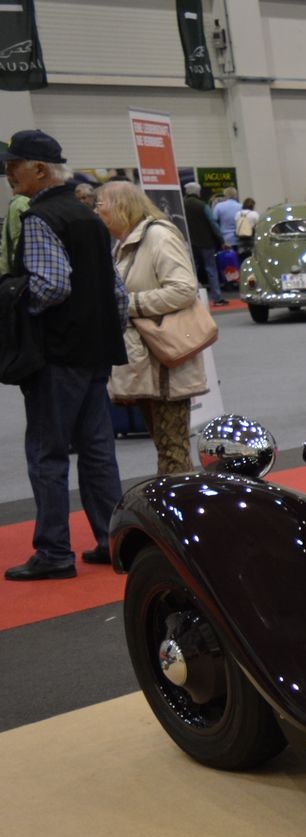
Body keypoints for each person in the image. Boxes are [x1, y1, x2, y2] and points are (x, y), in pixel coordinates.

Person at [2, 129, 127, 580]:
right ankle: (114, 542)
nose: (8, 174)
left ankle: (54, 552)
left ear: (38, 170)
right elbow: (117, 293)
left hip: (56, 353)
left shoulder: (40, 218)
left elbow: (52, 286)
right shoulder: (88, 217)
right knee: (97, 451)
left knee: (47, 453)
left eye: (14, 166)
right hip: (96, 351)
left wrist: (16, 302)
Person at [98, 181, 206, 476]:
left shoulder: (158, 236)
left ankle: (181, 501)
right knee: (166, 447)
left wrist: (128, 304)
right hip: (147, 360)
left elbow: (184, 289)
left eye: (100, 205)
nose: (96, 212)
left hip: (166, 360)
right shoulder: (126, 243)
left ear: (121, 206)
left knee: (173, 452)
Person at [182, 180, 227, 306]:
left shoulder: (182, 205)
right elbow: (213, 224)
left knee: (192, 270)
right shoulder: (202, 205)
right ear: (197, 192)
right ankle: (217, 298)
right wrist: (221, 240)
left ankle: (192, 298)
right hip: (206, 242)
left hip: (189, 243)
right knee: (211, 269)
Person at [212, 187, 241, 253]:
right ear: (235, 195)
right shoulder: (241, 206)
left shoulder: (219, 206)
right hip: (239, 239)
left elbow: (214, 221)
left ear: (225, 195)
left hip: (225, 240)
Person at [234, 196, 259, 260]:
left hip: (240, 238)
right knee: (251, 257)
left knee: (242, 257)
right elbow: (258, 225)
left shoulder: (238, 214)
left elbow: (236, 224)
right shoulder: (254, 214)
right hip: (251, 238)